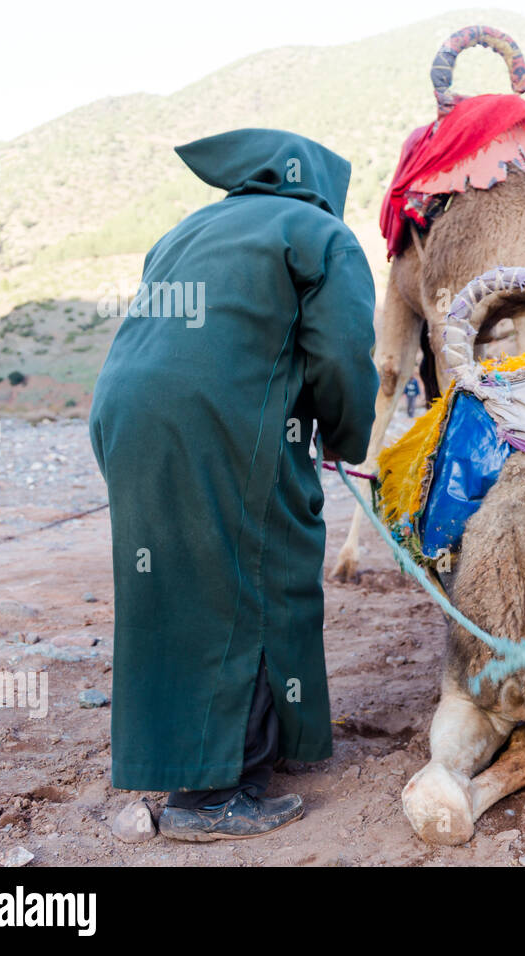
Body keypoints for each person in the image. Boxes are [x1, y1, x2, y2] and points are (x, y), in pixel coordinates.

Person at [90, 128, 378, 841]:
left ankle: (223, 753)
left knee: (177, 585)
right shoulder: (319, 232)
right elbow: (342, 353)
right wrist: (345, 439)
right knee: (252, 580)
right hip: (218, 419)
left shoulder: (188, 230)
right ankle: (211, 795)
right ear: (317, 182)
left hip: (125, 414)